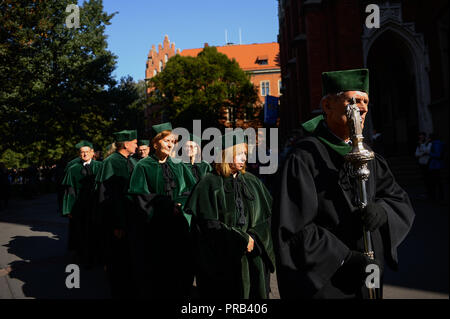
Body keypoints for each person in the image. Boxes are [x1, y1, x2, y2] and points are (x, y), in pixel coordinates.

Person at [272, 69, 415, 299]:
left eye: (366, 101)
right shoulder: (304, 158)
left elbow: (398, 198)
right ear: (327, 106)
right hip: (331, 277)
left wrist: (384, 212)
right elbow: (293, 227)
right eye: (353, 100)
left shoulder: (369, 156)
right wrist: (344, 257)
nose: (363, 107)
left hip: (370, 268)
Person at [184, 131, 275, 299]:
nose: (243, 158)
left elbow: (267, 217)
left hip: (253, 256)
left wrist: (254, 236)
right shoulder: (209, 183)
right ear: (226, 155)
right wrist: (240, 239)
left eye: (245, 154)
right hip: (223, 261)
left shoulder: (252, 181)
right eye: (238, 153)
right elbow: (207, 224)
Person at [127, 122, 197, 298]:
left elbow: (191, 190)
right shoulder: (143, 166)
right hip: (155, 226)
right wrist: (166, 207)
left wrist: (179, 204)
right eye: (167, 140)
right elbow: (138, 196)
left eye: (173, 142)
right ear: (156, 143)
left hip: (179, 223)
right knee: (158, 268)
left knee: (181, 265)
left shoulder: (179, 164)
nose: (171, 144)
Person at [96, 130, 138, 298]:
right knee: (117, 259)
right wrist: (116, 223)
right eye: (134, 142)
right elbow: (108, 197)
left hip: (130, 217)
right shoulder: (111, 162)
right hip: (117, 220)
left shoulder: (131, 161)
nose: (136, 145)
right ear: (126, 144)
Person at [61, 140, 103, 266]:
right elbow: (70, 191)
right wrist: (68, 210)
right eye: (82, 152)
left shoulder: (100, 166)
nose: (84, 155)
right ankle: (83, 258)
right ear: (79, 154)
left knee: (96, 232)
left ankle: (97, 257)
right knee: (81, 233)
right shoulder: (73, 169)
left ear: (92, 153)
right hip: (80, 208)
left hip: (96, 205)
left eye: (87, 152)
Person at [428, 133, 445, 201]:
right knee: (438, 182)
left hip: (435, 165)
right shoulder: (440, 143)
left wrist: (429, 153)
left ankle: (436, 197)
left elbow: (437, 155)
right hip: (437, 164)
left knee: (435, 182)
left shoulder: (436, 143)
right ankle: (439, 196)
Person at [415, 132, 432, 199]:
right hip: (421, 164)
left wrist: (422, 145)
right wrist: (422, 153)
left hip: (427, 163)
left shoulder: (428, 143)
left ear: (424, 137)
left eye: (422, 136)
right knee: (425, 179)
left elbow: (428, 151)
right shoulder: (419, 145)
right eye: (419, 136)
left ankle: (431, 193)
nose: (420, 138)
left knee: (429, 179)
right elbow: (416, 154)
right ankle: (427, 193)